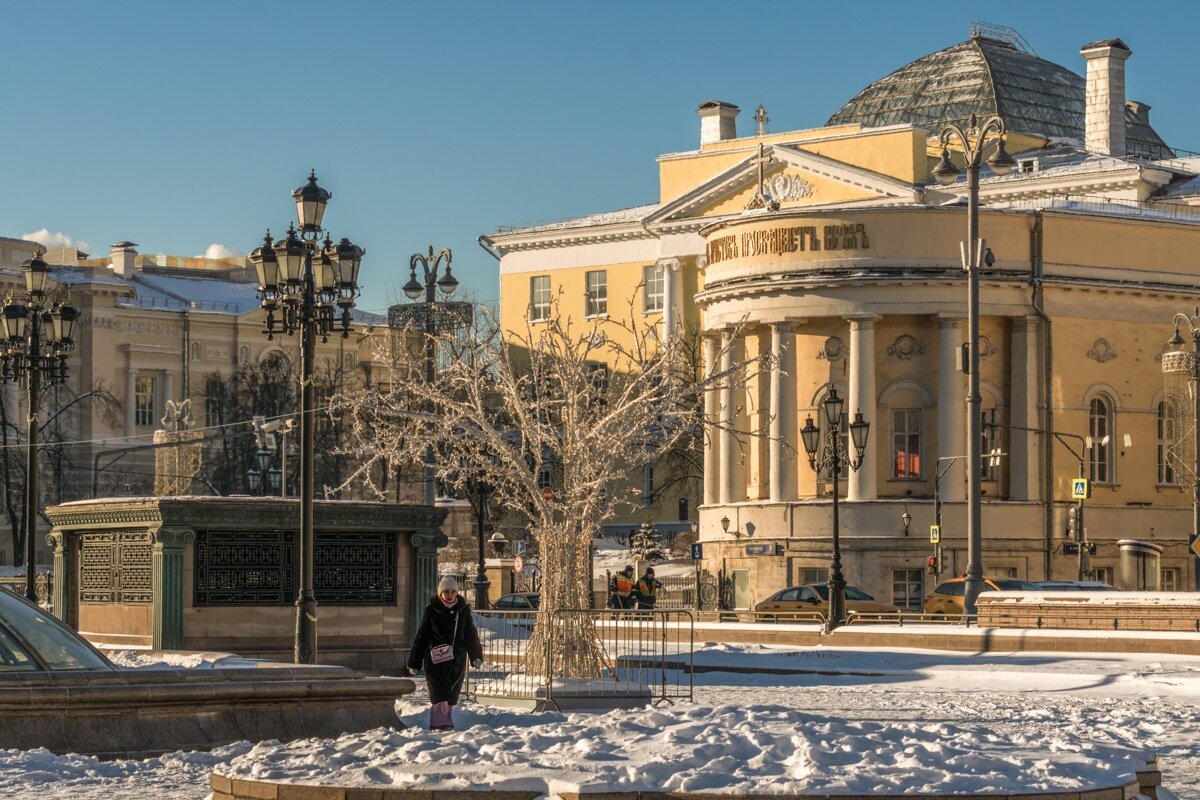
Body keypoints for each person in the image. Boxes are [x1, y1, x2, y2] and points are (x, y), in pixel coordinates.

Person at [407, 576, 483, 731]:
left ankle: (445, 721)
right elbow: (422, 636)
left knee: (451, 695)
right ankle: (439, 724)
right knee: (438, 693)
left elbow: (470, 633)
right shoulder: (432, 610)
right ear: (441, 593)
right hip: (435, 660)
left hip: (456, 659)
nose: (450, 595)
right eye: (446, 591)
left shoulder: (463, 610)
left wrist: (476, 656)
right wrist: (415, 662)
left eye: (453, 591)